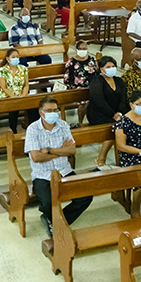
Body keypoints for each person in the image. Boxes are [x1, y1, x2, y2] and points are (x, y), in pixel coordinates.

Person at [25, 96, 92, 237]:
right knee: (48, 201)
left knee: (85, 196)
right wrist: (60, 150)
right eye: (49, 110)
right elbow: (36, 157)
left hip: (64, 171)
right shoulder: (33, 129)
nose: (53, 113)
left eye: (55, 110)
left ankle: (58, 220)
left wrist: (48, 150)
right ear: (41, 112)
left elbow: (71, 150)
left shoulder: (63, 125)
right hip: (42, 174)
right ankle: (50, 217)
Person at [89, 56, 129, 169]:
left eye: (113, 66)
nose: (111, 68)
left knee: (128, 122)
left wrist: (119, 112)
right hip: (99, 114)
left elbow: (123, 98)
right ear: (101, 69)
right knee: (116, 127)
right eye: (108, 67)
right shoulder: (96, 82)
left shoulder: (119, 81)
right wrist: (113, 114)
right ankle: (102, 157)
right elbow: (99, 101)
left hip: (118, 113)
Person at [64, 40, 98, 126]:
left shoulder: (92, 60)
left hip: (91, 86)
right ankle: (81, 122)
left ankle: (94, 121)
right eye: (80, 48)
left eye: (84, 48)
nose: (82, 50)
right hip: (77, 87)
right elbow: (66, 77)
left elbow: (97, 73)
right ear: (77, 49)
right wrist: (70, 87)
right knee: (83, 100)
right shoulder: (72, 61)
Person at [0, 48, 29, 133]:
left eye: (17, 57)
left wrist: (24, 96)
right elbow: (4, 87)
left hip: (21, 95)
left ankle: (32, 128)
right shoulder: (2, 71)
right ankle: (13, 131)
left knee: (33, 104)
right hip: (8, 96)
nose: (16, 58)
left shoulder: (23, 69)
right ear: (8, 59)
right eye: (13, 57)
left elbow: (26, 84)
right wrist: (14, 97)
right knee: (14, 106)